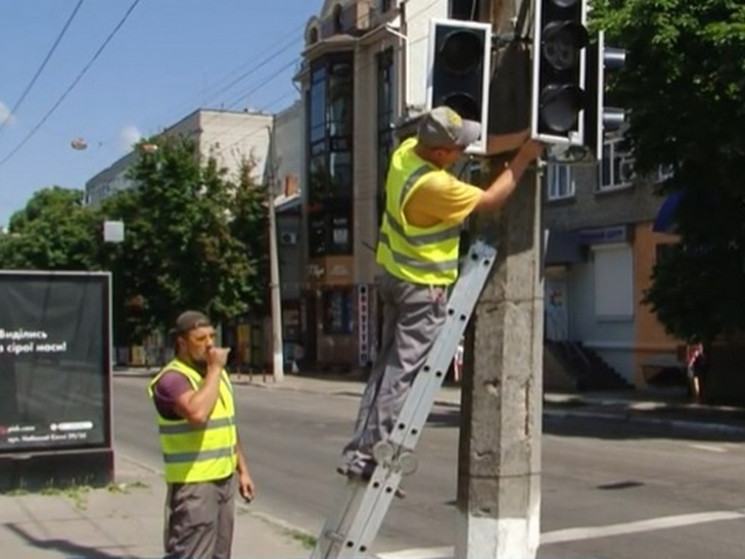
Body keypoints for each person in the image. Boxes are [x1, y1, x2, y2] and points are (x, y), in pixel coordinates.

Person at [338, 106, 544, 482]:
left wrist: (521, 138)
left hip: (393, 278)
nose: (464, 152)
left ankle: (358, 451)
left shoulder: (406, 153)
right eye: (457, 148)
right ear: (438, 153)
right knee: (402, 374)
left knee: (384, 370)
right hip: (421, 288)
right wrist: (524, 160)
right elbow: (490, 200)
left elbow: (477, 145)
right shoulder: (434, 187)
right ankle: (374, 454)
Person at [148, 310, 255, 559]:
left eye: (212, 337)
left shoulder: (212, 376)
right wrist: (215, 369)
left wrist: (243, 470)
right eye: (200, 339)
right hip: (194, 485)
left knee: (220, 554)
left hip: (223, 480)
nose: (209, 344)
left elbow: (227, 425)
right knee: (192, 553)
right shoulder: (172, 379)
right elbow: (197, 414)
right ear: (182, 343)